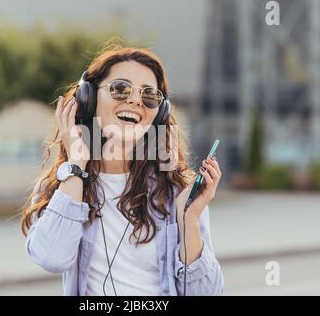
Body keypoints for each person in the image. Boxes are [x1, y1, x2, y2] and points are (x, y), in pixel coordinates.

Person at [21, 44, 224, 296]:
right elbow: (51, 258)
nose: (135, 100)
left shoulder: (177, 190)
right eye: (120, 89)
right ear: (89, 99)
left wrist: (189, 220)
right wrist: (77, 163)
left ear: (159, 113)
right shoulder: (66, 182)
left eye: (149, 95)